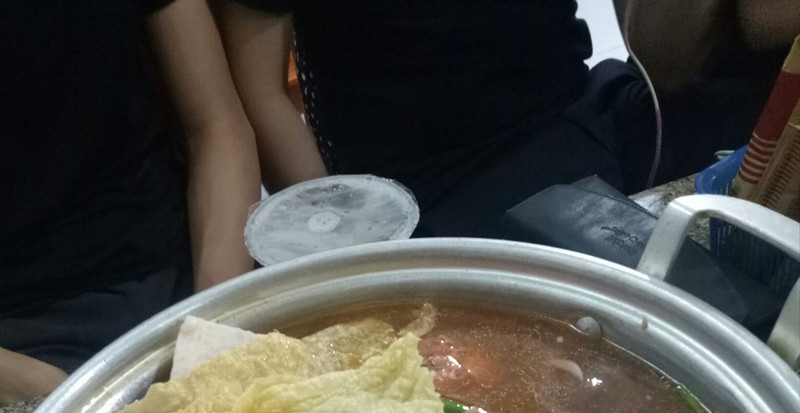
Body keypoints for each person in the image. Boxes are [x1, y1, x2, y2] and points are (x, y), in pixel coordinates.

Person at [213, 0, 798, 239]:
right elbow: (261, 99)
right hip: (425, 186)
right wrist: (345, 240)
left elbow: (669, 57)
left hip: (577, 117)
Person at [0, 0, 261, 403]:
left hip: (181, 271)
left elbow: (217, 124)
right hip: (18, 340)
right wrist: (45, 390)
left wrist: (214, 322)